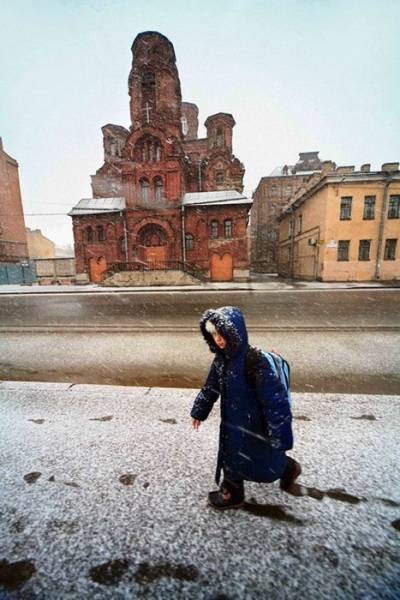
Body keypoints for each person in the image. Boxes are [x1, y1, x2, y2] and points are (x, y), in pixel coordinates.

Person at [190, 306, 301, 510]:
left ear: (235, 334)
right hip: (232, 423)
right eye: (214, 335)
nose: (219, 340)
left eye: (222, 334)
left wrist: (280, 434)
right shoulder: (221, 360)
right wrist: (199, 410)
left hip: (256, 424)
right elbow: (211, 387)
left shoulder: (255, 362)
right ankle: (232, 493)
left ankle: (287, 467)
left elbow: (276, 401)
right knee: (231, 455)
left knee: (265, 460)